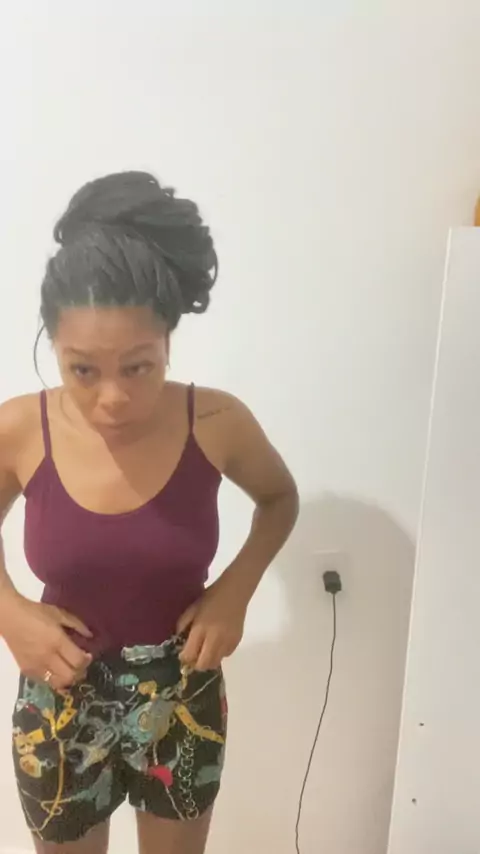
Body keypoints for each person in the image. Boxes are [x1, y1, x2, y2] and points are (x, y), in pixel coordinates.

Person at [0, 172, 299, 854]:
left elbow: (280, 499)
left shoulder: (216, 421)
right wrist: (8, 612)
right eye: (82, 370)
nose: (112, 397)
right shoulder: (20, 430)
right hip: (60, 699)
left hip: (183, 697)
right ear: (52, 344)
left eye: (138, 367)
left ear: (168, 340)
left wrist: (235, 591)